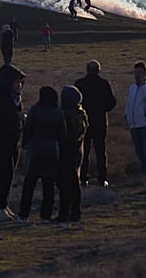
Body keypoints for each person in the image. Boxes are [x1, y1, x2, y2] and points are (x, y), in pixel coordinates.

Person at [0, 64, 26, 221]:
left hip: (12, 141)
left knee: (8, 175)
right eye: (16, 83)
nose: (19, 86)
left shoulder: (14, 98)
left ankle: (3, 205)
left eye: (20, 83)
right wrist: (17, 117)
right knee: (1, 175)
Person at [18, 86, 67, 224]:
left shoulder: (35, 110)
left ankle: (23, 214)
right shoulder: (58, 112)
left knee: (29, 184)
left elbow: (27, 129)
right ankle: (46, 216)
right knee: (48, 186)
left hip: (34, 150)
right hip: (51, 150)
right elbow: (63, 134)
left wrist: (24, 144)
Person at [75, 60, 116, 187]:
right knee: (100, 149)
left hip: (83, 121)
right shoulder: (103, 84)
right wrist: (102, 109)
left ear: (87, 70)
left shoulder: (80, 84)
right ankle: (102, 178)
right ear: (98, 70)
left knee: (84, 150)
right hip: (100, 120)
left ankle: (82, 178)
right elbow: (111, 103)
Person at [56, 85, 88, 227]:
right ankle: (75, 212)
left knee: (64, 184)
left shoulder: (65, 115)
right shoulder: (81, 114)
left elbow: (62, 135)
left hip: (66, 151)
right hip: (78, 151)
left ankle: (64, 213)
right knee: (74, 183)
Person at [125, 60, 146, 187]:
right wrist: (127, 116)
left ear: (145, 73)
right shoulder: (132, 88)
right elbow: (129, 103)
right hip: (134, 124)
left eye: (139, 73)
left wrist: (144, 84)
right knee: (139, 151)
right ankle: (145, 174)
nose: (136, 75)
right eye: (135, 73)